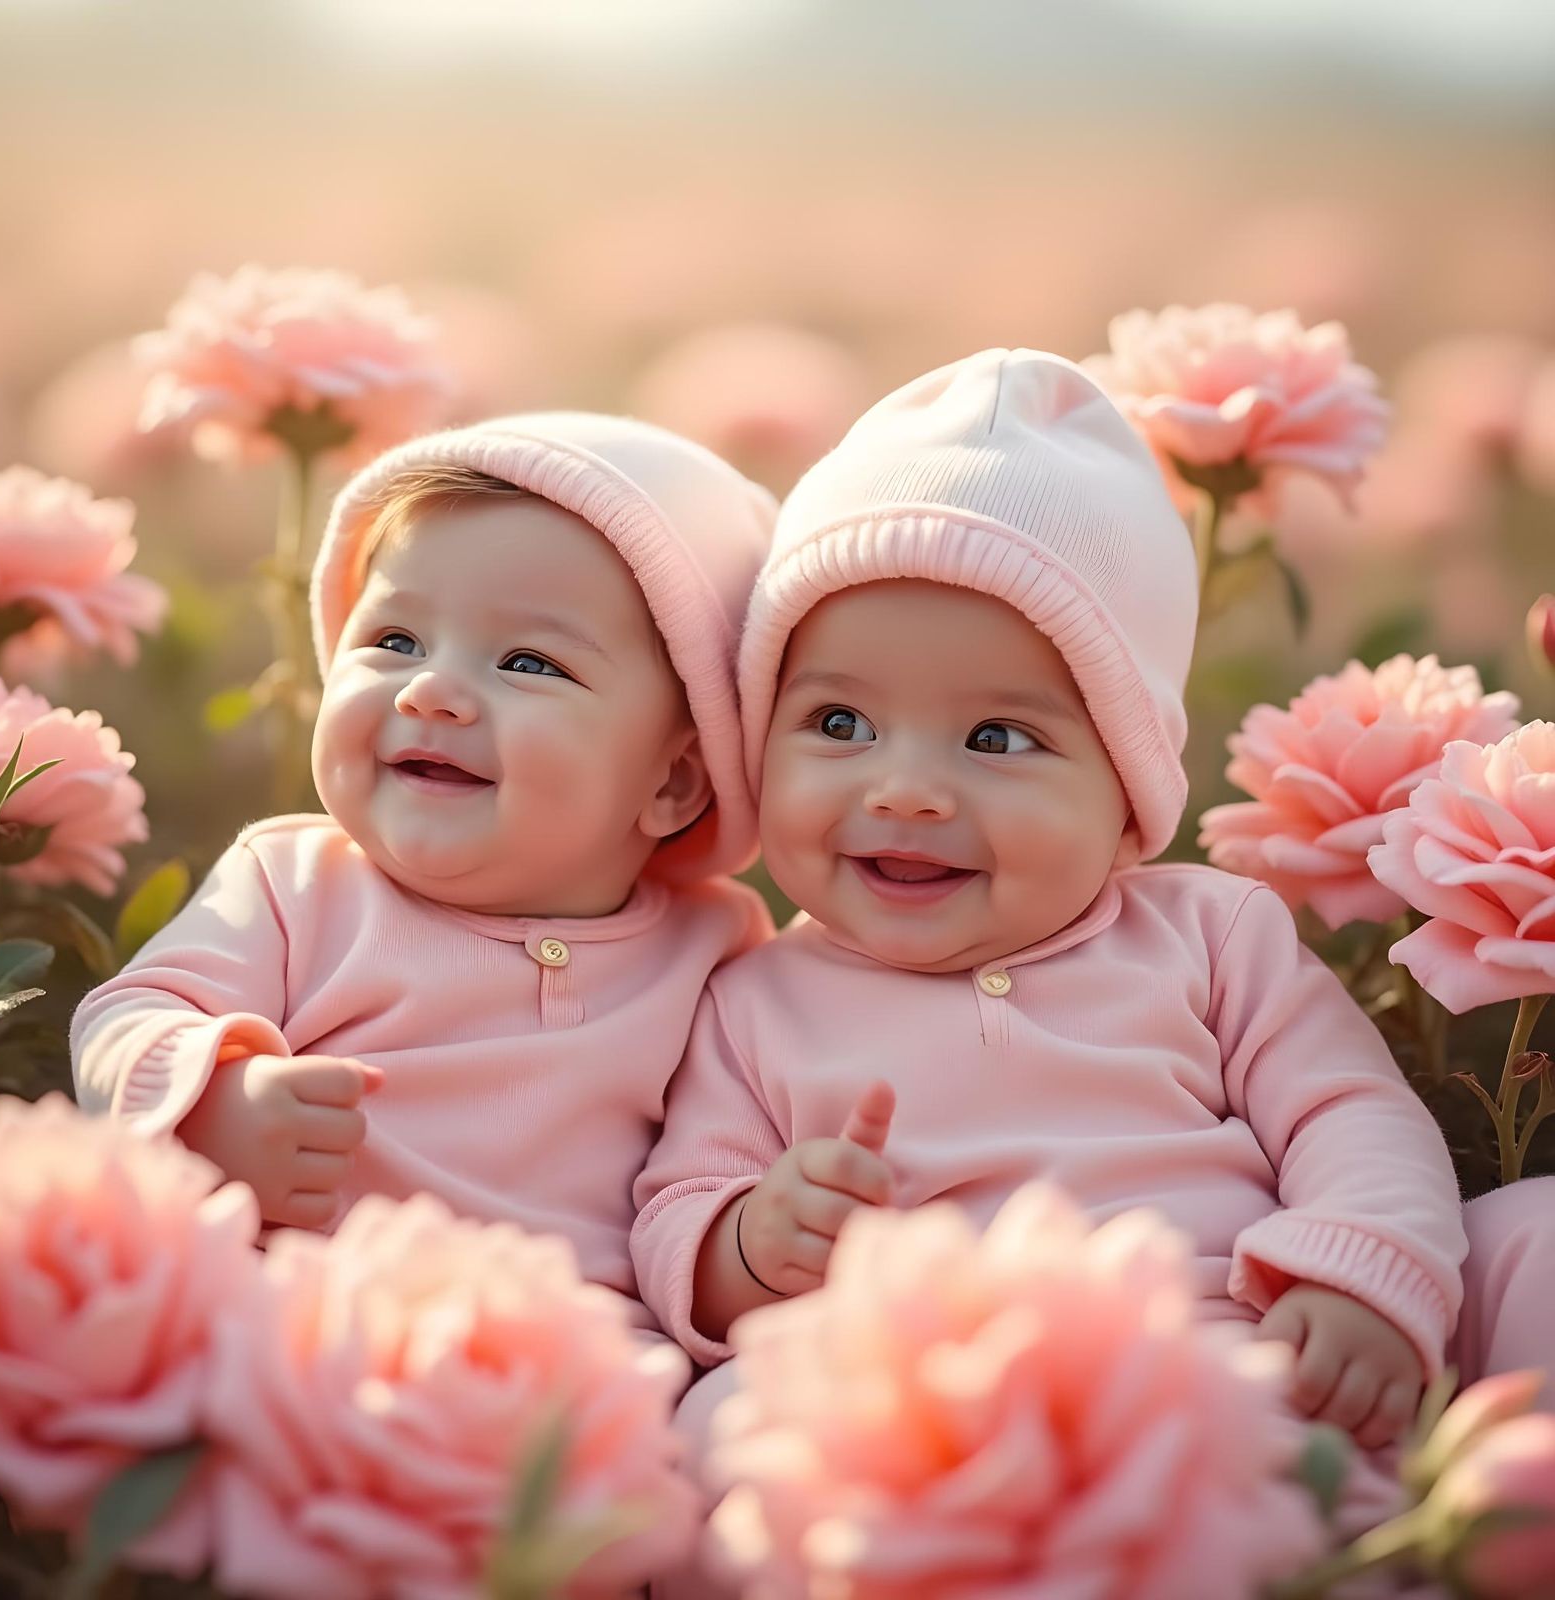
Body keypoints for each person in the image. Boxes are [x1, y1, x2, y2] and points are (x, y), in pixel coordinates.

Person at [631, 350, 1553, 1589]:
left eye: (996, 736)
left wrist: (1355, 1272)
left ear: (1126, 792)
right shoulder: (754, 995)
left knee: (1533, 1239)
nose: (904, 788)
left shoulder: (1207, 933)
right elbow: (675, 1205)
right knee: (719, 1424)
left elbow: (1348, 1111)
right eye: (837, 722)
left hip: (1241, 1360)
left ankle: (1424, 1540)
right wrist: (750, 1241)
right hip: (938, 1417)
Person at [73, 412, 776, 1320]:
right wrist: (211, 1098)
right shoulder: (294, 886)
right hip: (300, 1319)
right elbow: (125, 1016)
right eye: (396, 641)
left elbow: (718, 1168)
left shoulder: (714, 953)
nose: (431, 690)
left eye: (528, 662)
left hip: (569, 1344)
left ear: (674, 780)